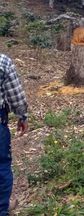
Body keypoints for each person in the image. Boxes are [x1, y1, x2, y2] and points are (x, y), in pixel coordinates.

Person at [0, 54, 28, 216]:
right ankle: (2, 208)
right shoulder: (2, 61)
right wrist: (22, 116)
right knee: (2, 165)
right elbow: (16, 95)